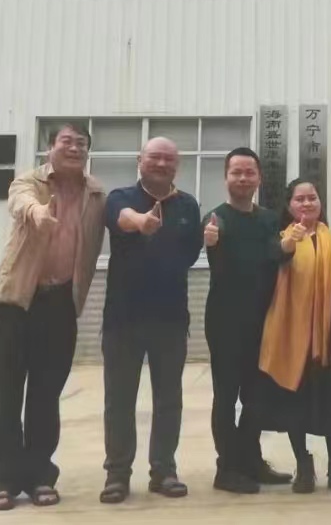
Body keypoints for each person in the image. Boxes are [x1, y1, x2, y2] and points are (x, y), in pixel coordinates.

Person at [0, 123, 108, 512]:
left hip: (60, 304)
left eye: (81, 143)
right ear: (50, 147)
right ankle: (3, 481)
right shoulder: (30, 182)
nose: (74, 148)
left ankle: (40, 476)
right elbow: (19, 201)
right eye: (66, 141)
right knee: (7, 395)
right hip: (17, 301)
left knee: (45, 395)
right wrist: (37, 213)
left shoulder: (96, 194)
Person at [99, 137, 203, 504]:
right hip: (123, 319)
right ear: (140, 160)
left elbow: (190, 253)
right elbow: (121, 219)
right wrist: (141, 222)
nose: (161, 164)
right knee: (119, 400)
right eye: (155, 157)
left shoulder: (188, 205)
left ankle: (164, 470)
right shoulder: (120, 197)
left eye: (169, 159)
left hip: (170, 319)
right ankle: (117, 474)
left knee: (169, 399)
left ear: (177, 165)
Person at [255, 179, 331, 495]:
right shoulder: (280, 239)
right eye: (300, 199)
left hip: (327, 336)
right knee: (294, 402)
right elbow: (273, 261)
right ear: (289, 206)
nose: (307, 203)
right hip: (290, 336)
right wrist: (289, 244)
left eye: (312, 197)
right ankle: (303, 463)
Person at [203, 147, 293, 494]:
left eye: (249, 172)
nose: (243, 178)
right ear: (226, 177)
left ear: (259, 178)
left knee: (258, 397)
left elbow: (276, 257)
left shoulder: (270, 219)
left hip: (264, 321)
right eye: (236, 172)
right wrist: (210, 242)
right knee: (227, 396)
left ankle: (251, 461)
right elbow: (215, 253)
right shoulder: (216, 218)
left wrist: (286, 248)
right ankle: (226, 468)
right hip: (226, 323)